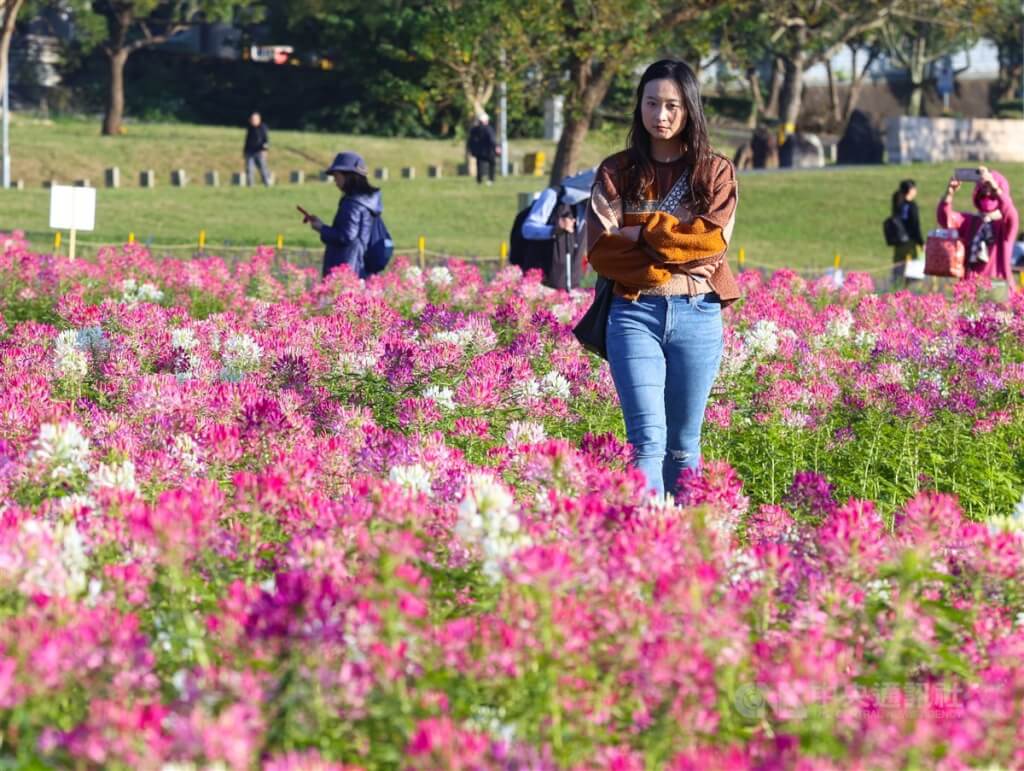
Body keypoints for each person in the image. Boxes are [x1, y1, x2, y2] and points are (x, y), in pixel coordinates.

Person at [585, 59, 739, 499]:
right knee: (646, 443)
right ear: (639, 107)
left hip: (698, 315)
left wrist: (641, 232)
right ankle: (647, 545)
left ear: (690, 109)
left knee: (683, 446)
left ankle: (686, 552)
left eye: (672, 105)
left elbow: (710, 243)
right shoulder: (616, 172)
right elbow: (601, 250)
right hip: (633, 313)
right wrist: (673, 247)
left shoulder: (715, 172)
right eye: (652, 104)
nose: (662, 116)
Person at [938, 166, 1019, 292]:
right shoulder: (969, 221)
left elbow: (1010, 212)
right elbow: (945, 219)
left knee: (999, 313)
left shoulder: (1005, 224)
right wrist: (949, 194)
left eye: (991, 193)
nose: (987, 194)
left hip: (997, 287)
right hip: (971, 288)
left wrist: (995, 188)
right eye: (983, 190)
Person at [304, 151, 383, 280]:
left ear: (349, 176)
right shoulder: (368, 202)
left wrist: (321, 228)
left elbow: (346, 236)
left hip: (346, 270)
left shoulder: (352, 203)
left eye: (336, 176)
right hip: (361, 267)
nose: (335, 180)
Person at [519, 168, 593, 289]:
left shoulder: (590, 210)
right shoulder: (552, 195)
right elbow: (527, 229)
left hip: (571, 287)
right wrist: (553, 229)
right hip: (541, 286)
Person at [890, 179, 924, 286]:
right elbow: (915, 225)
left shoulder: (897, 205)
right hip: (911, 244)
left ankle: (896, 291)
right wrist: (921, 242)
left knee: (898, 273)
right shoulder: (912, 206)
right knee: (911, 274)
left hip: (899, 243)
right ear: (910, 190)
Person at [467, 113, 499, 185]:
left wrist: (472, 150)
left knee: (479, 166)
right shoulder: (488, 128)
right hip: (489, 151)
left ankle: (479, 180)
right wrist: (496, 147)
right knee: (492, 164)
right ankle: (491, 180)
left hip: (478, 152)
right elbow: (492, 139)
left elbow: (470, 141)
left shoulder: (474, 129)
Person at [243, 112, 271, 187]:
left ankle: (267, 183)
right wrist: (245, 151)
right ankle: (250, 185)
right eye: (251, 119)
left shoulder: (263, 128)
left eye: (254, 119)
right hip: (250, 152)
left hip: (259, 152)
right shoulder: (250, 128)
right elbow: (247, 140)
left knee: (263, 168)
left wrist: (264, 150)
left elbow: (266, 140)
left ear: (258, 120)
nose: (252, 121)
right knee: (249, 169)